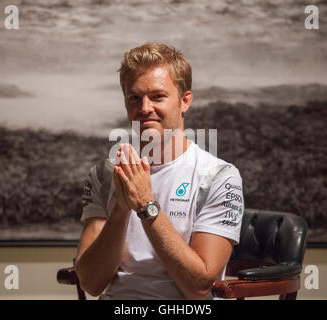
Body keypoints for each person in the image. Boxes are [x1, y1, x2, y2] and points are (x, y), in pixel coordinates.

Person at [75, 42, 244, 300]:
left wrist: (146, 205)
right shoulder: (104, 174)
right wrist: (121, 209)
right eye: (135, 97)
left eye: (157, 96)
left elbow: (199, 287)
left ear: (185, 101)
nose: (144, 108)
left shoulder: (220, 176)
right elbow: (91, 283)